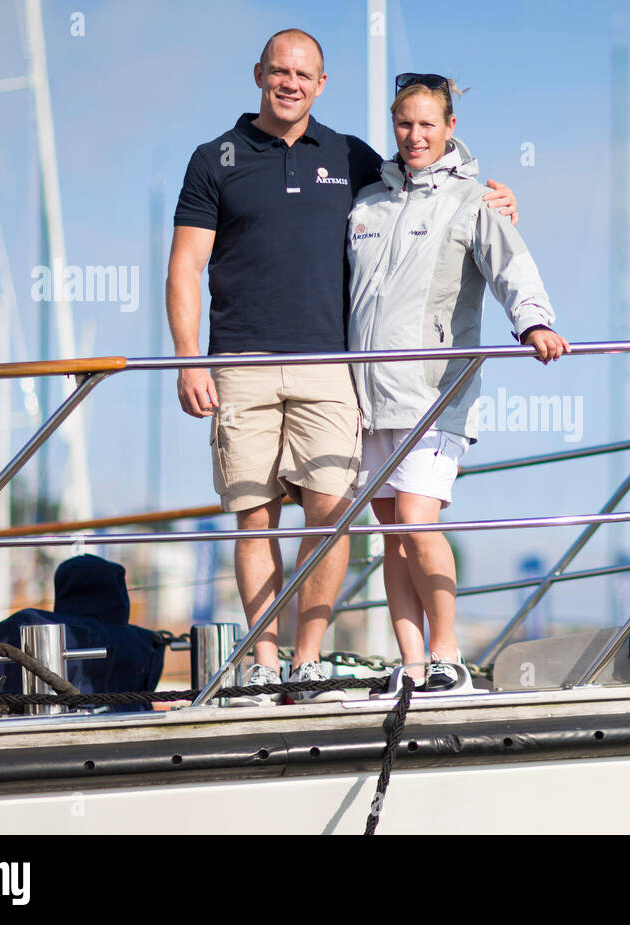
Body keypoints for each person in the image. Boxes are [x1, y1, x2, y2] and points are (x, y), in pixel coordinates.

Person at [167, 31, 517, 705]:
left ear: (321, 83)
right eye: (279, 71)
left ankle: (306, 659)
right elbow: (184, 267)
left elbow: (424, 182)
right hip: (240, 362)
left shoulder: (352, 156)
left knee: (333, 513)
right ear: (259, 74)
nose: (289, 82)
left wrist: (490, 202)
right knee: (254, 517)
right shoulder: (216, 159)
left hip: (332, 364)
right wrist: (189, 360)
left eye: (303, 73)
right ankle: (264, 662)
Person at [347, 74, 569, 692]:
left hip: (434, 394)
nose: (414, 136)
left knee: (419, 522)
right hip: (368, 398)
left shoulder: (472, 201)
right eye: (404, 124)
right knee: (392, 537)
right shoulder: (366, 202)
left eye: (426, 124)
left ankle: (447, 657)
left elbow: (510, 266)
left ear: (449, 129)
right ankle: (411, 665)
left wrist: (535, 323)